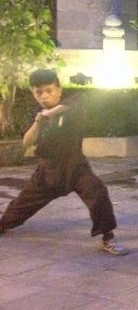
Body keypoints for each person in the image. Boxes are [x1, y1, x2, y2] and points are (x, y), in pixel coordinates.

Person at [0, 69, 127, 255]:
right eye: (38, 92)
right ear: (33, 93)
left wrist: (50, 113)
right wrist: (39, 121)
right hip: (47, 172)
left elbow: (79, 101)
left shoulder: (74, 104)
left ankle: (108, 237)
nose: (44, 96)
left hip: (76, 167)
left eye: (49, 90)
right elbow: (27, 142)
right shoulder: (37, 115)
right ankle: (3, 224)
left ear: (59, 90)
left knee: (98, 192)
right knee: (21, 204)